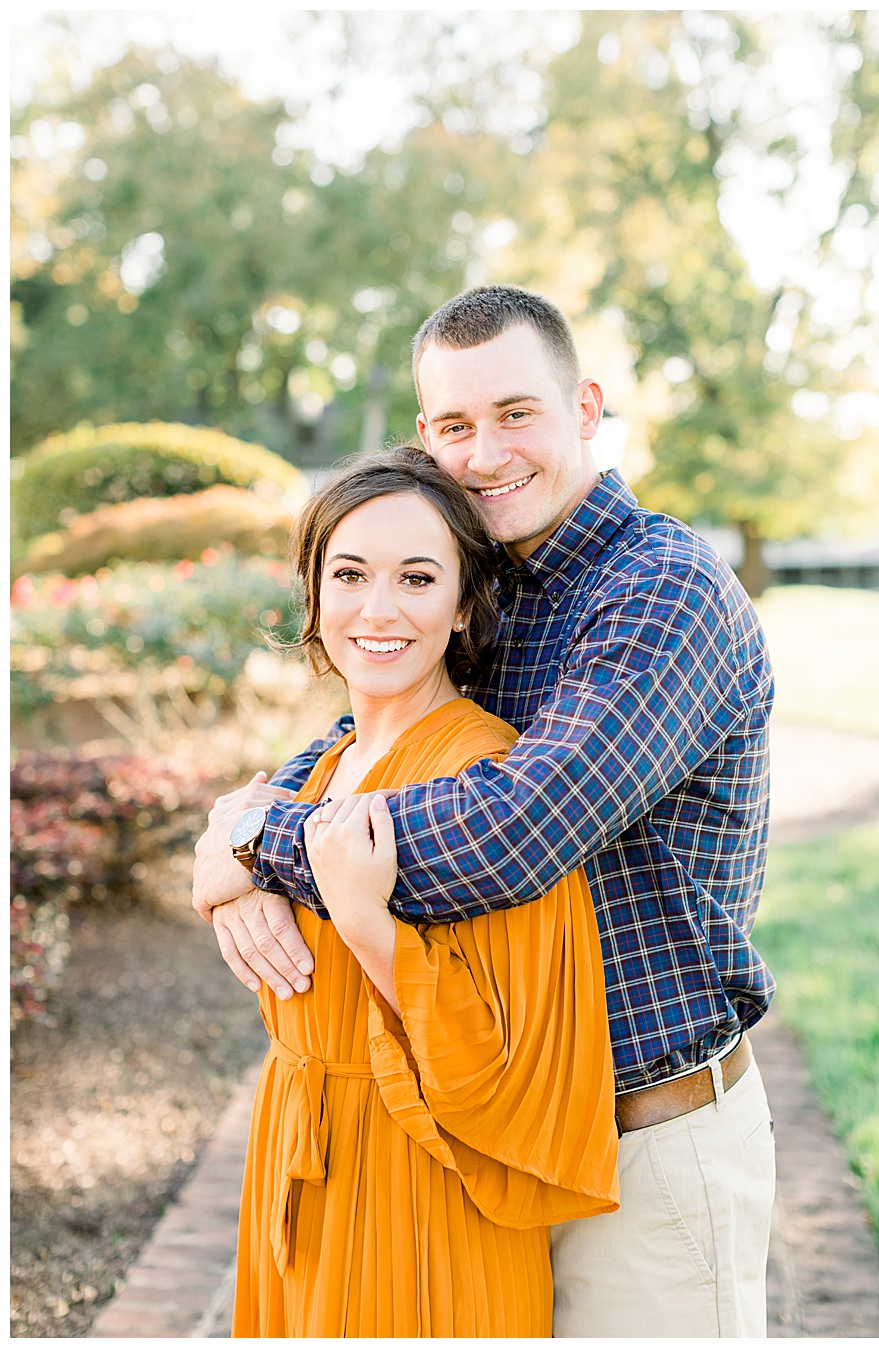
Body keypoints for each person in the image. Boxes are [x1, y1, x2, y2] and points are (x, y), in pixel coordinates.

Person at [192, 285, 777, 1336]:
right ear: (426, 435)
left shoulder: (664, 590)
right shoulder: (486, 583)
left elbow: (511, 833)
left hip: (642, 1145)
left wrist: (255, 842)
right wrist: (244, 818)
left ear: (586, 407)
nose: (487, 450)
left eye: (517, 414)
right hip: (476, 1140)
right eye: (456, 425)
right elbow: (371, 735)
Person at [230, 447, 619, 1334]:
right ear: (315, 594)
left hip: (423, 1189)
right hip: (297, 1152)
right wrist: (233, 875)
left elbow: (500, 1065)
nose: (378, 609)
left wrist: (365, 919)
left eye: (416, 577)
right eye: (350, 574)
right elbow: (249, 851)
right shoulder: (321, 768)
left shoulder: (477, 773)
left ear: (460, 607)